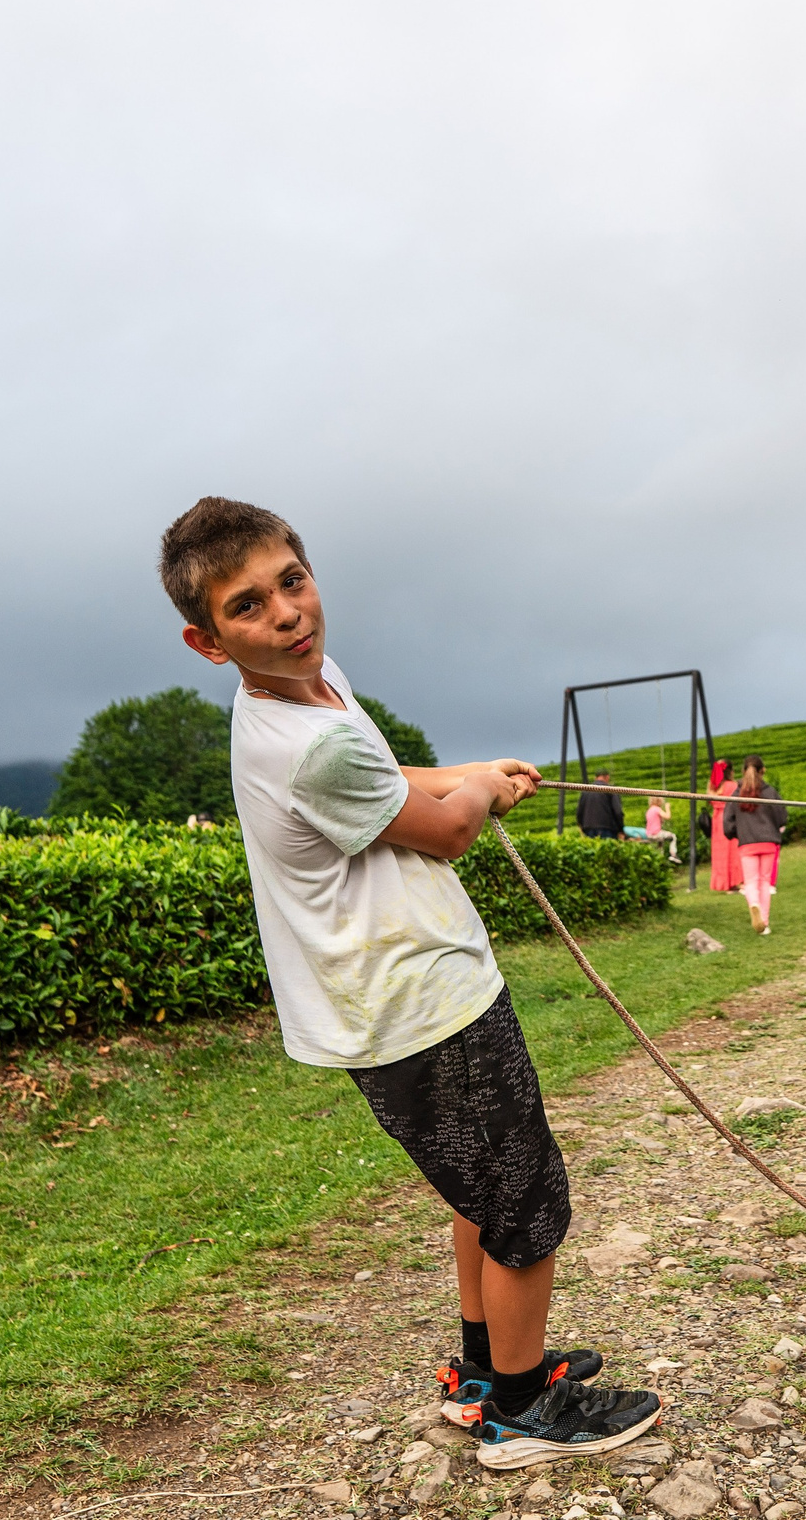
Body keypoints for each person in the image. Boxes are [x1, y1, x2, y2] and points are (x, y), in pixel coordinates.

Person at [160, 496, 661, 1467]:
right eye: (249, 605)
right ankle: (522, 1412)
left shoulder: (306, 683)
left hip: (398, 1003)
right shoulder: (304, 739)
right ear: (207, 639)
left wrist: (468, 766)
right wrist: (478, 791)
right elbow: (448, 830)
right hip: (418, 1005)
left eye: (292, 582)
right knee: (526, 1200)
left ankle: (484, 1370)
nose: (287, 613)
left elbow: (389, 778)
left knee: (479, 1190)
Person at [722, 754, 787, 935]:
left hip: (747, 844)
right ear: (763, 770)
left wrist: (738, 833)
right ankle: (764, 923)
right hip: (768, 843)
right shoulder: (770, 792)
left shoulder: (737, 793)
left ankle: (754, 904)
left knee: (750, 881)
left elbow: (727, 822)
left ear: (743, 771)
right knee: (765, 881)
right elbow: (782, 816)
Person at [704, 758, 741, 894]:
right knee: (732, 852)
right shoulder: (732, 786)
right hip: (729, 820)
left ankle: (724, 883)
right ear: (730, 771)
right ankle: (734, 881)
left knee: (720, 854)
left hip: (717, 821)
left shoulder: (713, 788)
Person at [575, 769, 625, 840]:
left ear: (595, 778)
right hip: (607, 828)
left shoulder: (586, 790)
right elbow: (618, 812)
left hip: (588, 828)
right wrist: (621, 829)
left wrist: (581, 826)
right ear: (607, 777)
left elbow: (579, 811)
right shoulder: (611, 790)